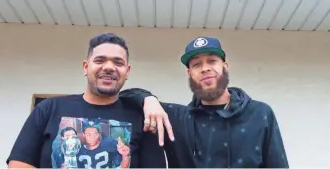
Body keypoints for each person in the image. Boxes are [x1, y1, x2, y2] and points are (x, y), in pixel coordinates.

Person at [7, 33, 172, 168]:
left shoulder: (141, 119)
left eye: (118, 62)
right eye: (100, 60)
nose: (108, 67)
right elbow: (19, 163)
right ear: (86, 67)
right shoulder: (49, 108)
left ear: (127, 71)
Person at [120, 36, 289, 168]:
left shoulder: (259, 113)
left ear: (225, 66)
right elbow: (125, 96)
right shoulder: (177, 119)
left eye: (212, 61)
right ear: (189, 73)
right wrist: (148, 99)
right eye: (196, 64)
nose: (205, 68)